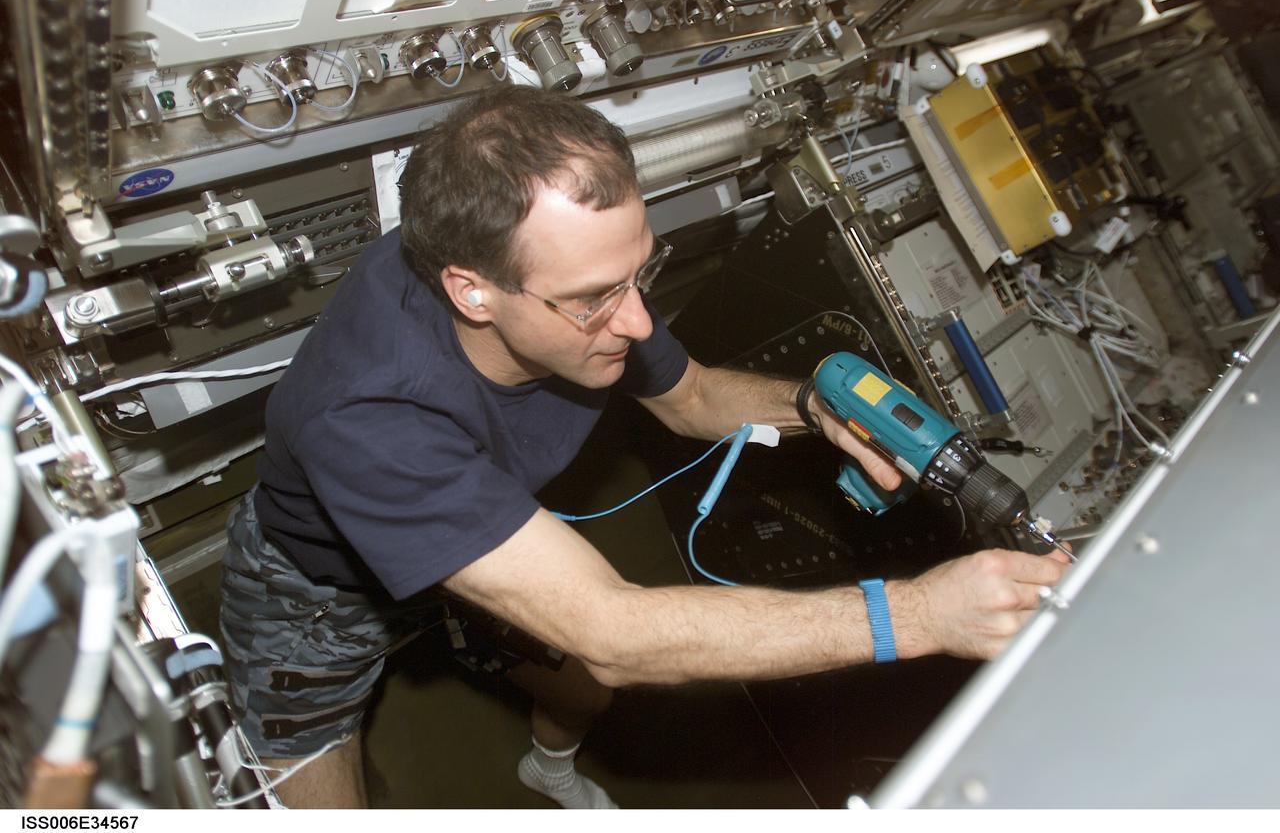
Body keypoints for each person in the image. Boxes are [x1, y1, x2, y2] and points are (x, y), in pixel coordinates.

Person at [218, 84, 1069, 809]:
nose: (633, 320)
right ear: (471, 291)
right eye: (594, 297)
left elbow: (692, 395)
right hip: (320, 594)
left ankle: (545, 766)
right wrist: (920, 615)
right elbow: (615, 629)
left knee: (585, 688)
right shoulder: (368, 415)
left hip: (478, 511)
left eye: (639, 275)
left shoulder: (565, 286)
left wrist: (815, 405)